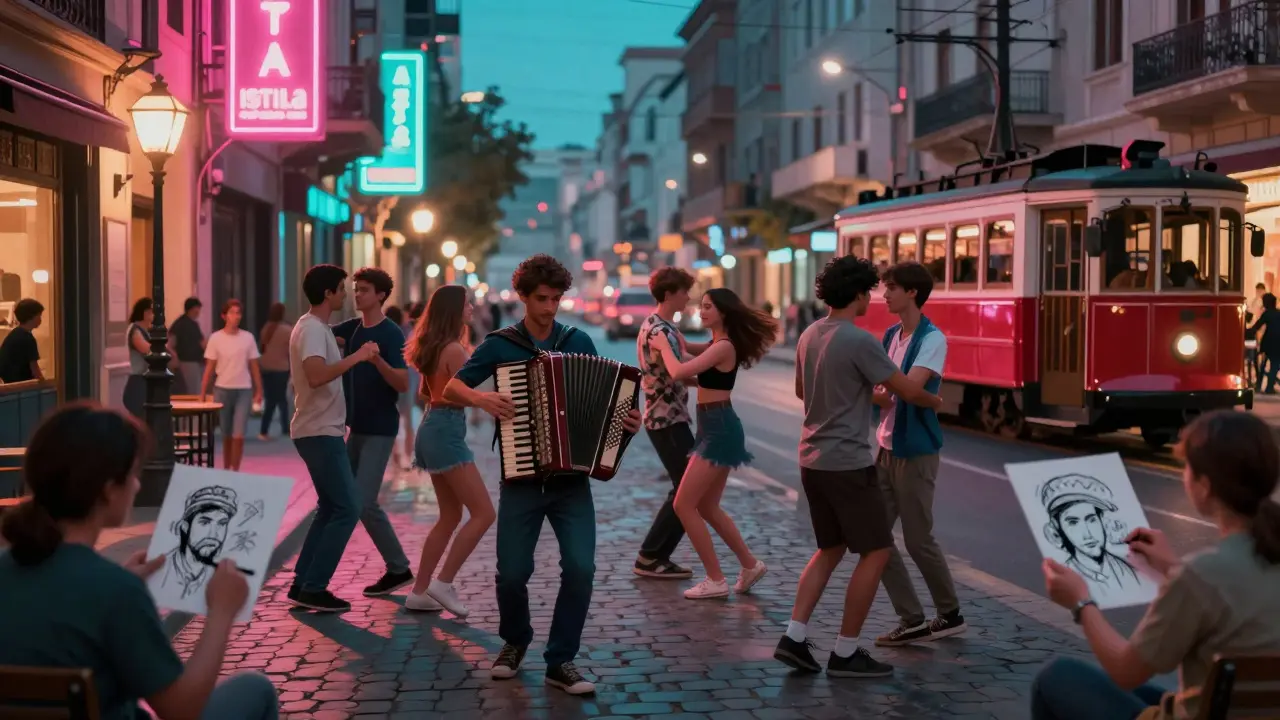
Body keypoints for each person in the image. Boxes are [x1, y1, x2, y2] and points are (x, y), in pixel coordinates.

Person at [0, 402, 278, 720]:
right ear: (109, 490)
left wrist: (119, 581)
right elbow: (181, 709)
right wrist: (221, 612)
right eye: (133, 474)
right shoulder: (116, 592)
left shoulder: (12, 569)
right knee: (255, 689)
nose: (138, 485)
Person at [442, 254, 642, 696]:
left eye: (556, 299)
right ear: (523, 297)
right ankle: (514, 642)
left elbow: (605, 407)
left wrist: (627, 422)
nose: (550, 307)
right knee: (512, 573)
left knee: (581, 569)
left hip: (572, 483)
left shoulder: (578, 341)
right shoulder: (500, 345)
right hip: (522, 480)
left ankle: (560, 660)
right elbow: (451, 386)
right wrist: (482, 400)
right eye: (542, 299)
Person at [1033, 410, 1280, 720]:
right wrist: (1171, 567)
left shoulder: (1200, 575)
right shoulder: (1221, 568)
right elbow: (1233, 594)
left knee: (1058, 677)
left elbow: (1126, 671)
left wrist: (1081, 602)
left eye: (1187, 468)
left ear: (1204, 486)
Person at [773, 255, 943, 678]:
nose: (872, 298)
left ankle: (793, 637)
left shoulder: (810, 334)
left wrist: (855, 393)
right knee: (877, 550)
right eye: (869, 291)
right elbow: (907, 390)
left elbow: (802, 390)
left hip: (811, 459)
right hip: (848, 462)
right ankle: (846, 651)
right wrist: (936, 401)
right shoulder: (861, 340)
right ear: (856, 294)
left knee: (829, 549)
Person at [652, 288, 773, 600]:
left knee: (683, 504)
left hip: (719, 428)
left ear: (723, 312)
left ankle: (715, 579)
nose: (702, 311)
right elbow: (686, 355)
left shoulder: (723, 347)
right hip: (713, 426)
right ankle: (750, 565)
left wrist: (664, 345)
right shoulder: (715, 345)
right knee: (706, 506)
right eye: (701, 305)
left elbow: (679, 369)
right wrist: (671, 339)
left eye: (708, 307)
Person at [871, 262, 966, 647]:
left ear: (912, 292)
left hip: (916, 451)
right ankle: (911, 618)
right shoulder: (891, 335)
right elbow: (889, 391)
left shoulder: (932, 339)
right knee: (874, 537)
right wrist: (894, 392)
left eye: (892, 287)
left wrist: (898, 392)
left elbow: (907, 389)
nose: (885, 294)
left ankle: (950, 613)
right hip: (885, 446)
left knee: (917, 539)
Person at [287, 264, 380, 612]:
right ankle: (314, 586)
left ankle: (303, 583)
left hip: (321, 430)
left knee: (330, 507)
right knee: (348, 507)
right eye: (341, 289)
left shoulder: (315, 327)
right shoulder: (312, 329)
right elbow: (315, 375)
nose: (345, 295)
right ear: (327, 293)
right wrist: (357, 357)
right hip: (318, 431)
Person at [403, 285, 496, 616]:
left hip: (434, 426)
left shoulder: (435, 346)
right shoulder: (454, 349)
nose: (471, 308)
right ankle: (443, 583)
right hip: (445, 431)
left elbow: (426, 394)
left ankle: (419, 592)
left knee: (450, 516)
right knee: (484, 513)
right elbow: (471, 390)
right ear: (454, 310)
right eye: (467, 304)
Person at [331, 267, 414, 598]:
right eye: (356, 289)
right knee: (339, 500)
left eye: (364, 290)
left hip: (380, 428)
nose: (357, 294)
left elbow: (403, 383)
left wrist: (376, 361)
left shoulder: (391, 333)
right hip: (356, 427)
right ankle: (314, 576)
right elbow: (321, 334)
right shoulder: (352, 328)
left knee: (365, 502)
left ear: (380, 295)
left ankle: (399, 568)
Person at [632, 267, 698, 580]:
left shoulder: (660, 325)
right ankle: (651, 555)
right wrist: (718, 372)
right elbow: (678, 370)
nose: (689, 297)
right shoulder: (660, 331)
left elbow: (679, 366)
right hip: (666, 420)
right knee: (687, 490)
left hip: (668, 418)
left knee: (686, 489)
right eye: (685, 291)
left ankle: (655, 555)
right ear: (669, 294)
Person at [200, 300, 263, 471]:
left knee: (238, 434)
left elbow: (254, 366)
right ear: (224, 316)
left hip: (243, 390)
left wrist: (259, 390)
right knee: (226, 433)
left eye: (238, 313)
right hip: (222, 389)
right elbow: (210, 367)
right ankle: (227, 467)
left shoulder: (248, 338)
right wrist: (203, 392)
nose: (236, 316)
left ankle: (236, 469)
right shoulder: (216, 338)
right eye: (232, 313)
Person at [258, 302, 292, 440]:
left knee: (270, 399)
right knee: (281, 399)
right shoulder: (287, 330)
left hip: (265, 367)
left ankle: (264, 428)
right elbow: (292, 350)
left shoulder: (266, 328)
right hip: (281, 368)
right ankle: (285, 428)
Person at [385, 305, 412, 468]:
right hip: (405, 380)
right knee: (407, 419)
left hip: (389, 380)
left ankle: (396, 455)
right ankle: (406, 456)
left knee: (393, 419)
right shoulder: (405, 334)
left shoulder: (385, 334)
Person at [0, 297, 44, 383]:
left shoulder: (14, 334)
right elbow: (35, 370)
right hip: (23, 384)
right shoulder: (28, 338)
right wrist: (46, 384)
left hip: (10, 384)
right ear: (31, 316)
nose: (40, 319)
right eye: (39, 315)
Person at [123, 298, 154, 419]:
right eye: (152, 311)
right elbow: (146, 349)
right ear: (145, 313)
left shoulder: (147, 331)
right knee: (139, 418)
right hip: (138, 381)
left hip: (146, 380)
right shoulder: (135, 330)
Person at [170, 297, 206, 397]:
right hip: (190, 362)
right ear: (192, 309)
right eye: (197, 309)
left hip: (183, 361)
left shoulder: (178, 323)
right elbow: (202, 343)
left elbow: (171, 343)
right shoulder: (192, 325)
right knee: (194, 390)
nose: (198, 312)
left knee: (187, 389)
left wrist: (174, 356)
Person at [1250, 292, 1280, 394]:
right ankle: (1269, 387)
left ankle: (1259, 386)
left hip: (1268, 343)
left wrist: (1246, 332)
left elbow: (1256, 327)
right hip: (1278, 343)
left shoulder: (1267, 314)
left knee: (1263, 365)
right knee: (1275, 365)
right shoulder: (1278, 313)